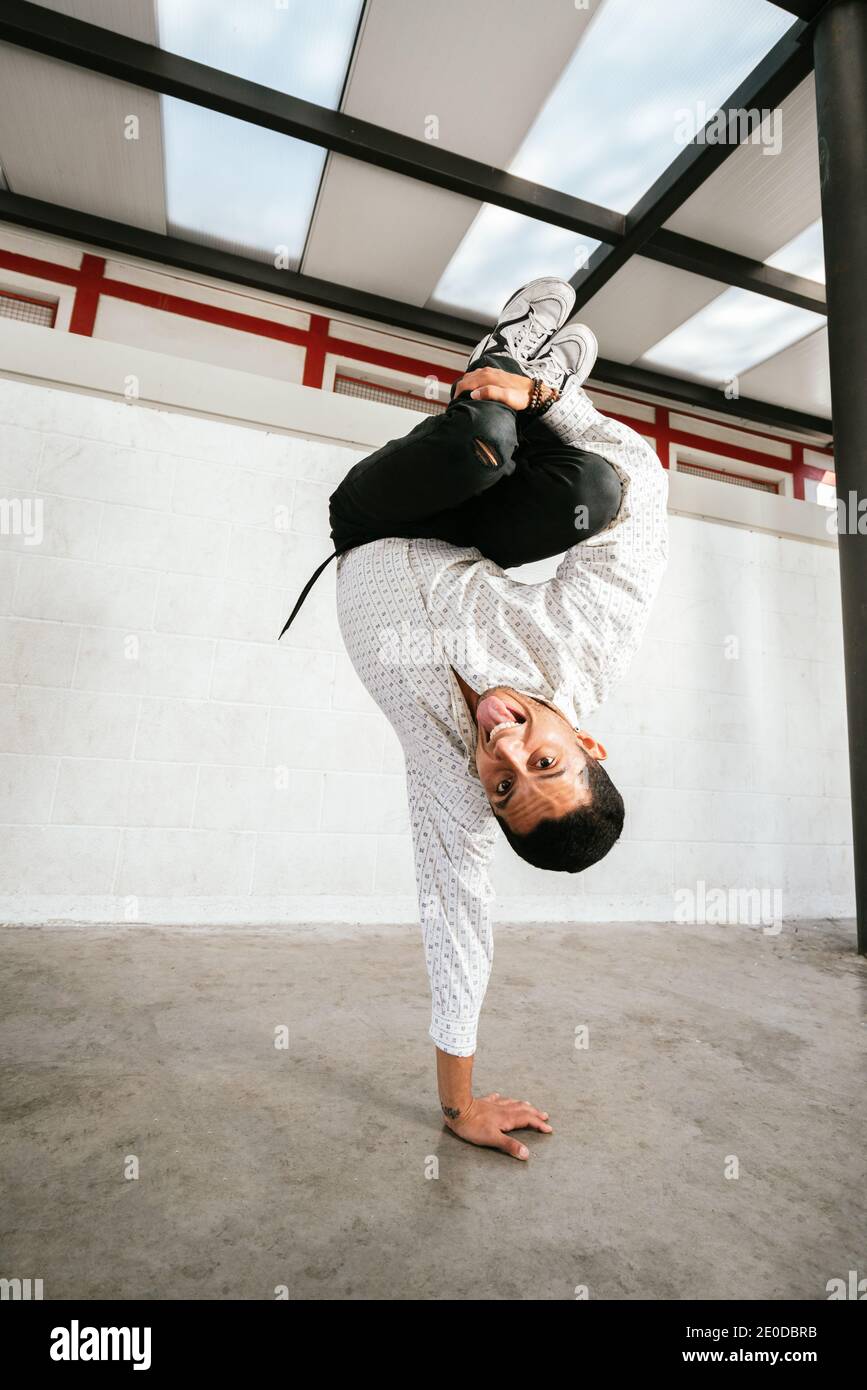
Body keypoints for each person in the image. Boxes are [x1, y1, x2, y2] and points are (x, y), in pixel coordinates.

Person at [281, 278, 669, 1159]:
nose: (502, 744)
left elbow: (459, 922)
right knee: (598, 492)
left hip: (377, 520)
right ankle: (522, 376)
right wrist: (558, 400)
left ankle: (503, 363)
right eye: (542, 759)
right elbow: (648, 503)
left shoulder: (443, 773)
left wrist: (457, 1111)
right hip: (468, 526)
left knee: (480, 449)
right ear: (586, 742)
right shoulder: (583, 649)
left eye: (501, 782)